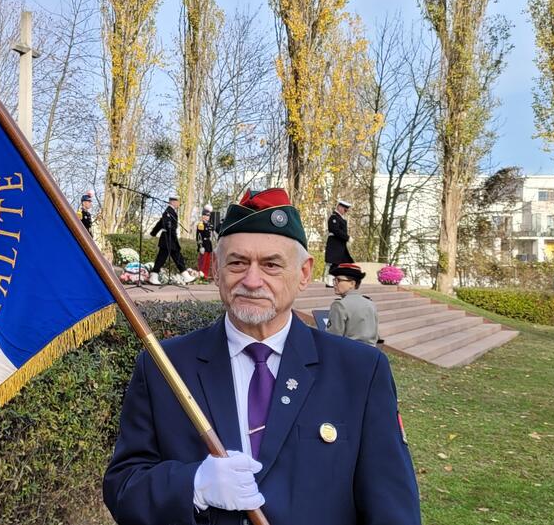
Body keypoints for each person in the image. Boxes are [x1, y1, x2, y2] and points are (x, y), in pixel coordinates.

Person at [104, 187, 421, 525]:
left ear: (303, 274)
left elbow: (392, 508)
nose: (252, 280)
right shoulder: (165, 366)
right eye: (237, 262)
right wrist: (193, 485)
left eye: (271, 265)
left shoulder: (359, 371)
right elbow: (124, 488)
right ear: (216, 272)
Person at [327, 263, 380, 347]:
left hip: (349, 354)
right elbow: (376, 335)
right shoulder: (370, 303)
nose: (335, 284)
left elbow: (332, 338)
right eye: (334, 280)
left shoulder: (339, 305)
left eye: (338, 280)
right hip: (371, 355)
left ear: (352, 283)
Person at [150, 195, 196, 285]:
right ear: (173, 202)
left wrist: (153, 233)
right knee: (162, 258)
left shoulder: (171, 211)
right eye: (178, 201)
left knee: (176, 256)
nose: (179, 204)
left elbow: (160, 223)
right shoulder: (168, 211)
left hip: (170, 237)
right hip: (168, 237)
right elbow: (165, 224)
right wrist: (156, 232)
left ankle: (185, 275)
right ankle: (153, 275)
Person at [324, 200, 353, 287]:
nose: (346, 211)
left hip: (340, 246)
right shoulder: (334, 218)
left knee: (347, 263)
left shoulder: (340, 218)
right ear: (339, 207)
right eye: (345, 209)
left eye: (347, 210)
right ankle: (330, 282)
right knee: (334, 263)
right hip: (335, 244)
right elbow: (335, 230)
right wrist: (347, 237)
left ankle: (342, 281)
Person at [196, 204, 214, 280]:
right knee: (202, 262)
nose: (207, 217)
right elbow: (198, 236)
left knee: (207, 262)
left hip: (208, 244)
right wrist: (200, 246)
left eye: (208, 216)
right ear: (203, 216)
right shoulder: (200, 224)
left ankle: (205, 276)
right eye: (206, 216)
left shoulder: (209, 225)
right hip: (203, 244)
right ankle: (201, 276)